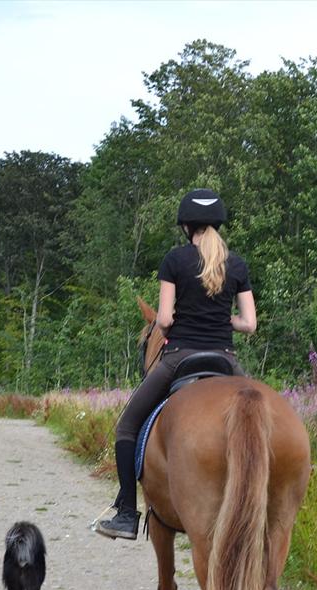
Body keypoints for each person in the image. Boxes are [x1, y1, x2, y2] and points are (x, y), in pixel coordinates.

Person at [96, 188, 257, 540]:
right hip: (225, 360)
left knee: (127, 427)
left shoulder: (174, 260)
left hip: (179, 357)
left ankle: (127, 514)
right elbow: (249, 324)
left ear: (186, 226)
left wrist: (182, 320)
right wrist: (222, 320)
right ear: (217, 224)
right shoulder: (237, 264)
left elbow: (165, 320)